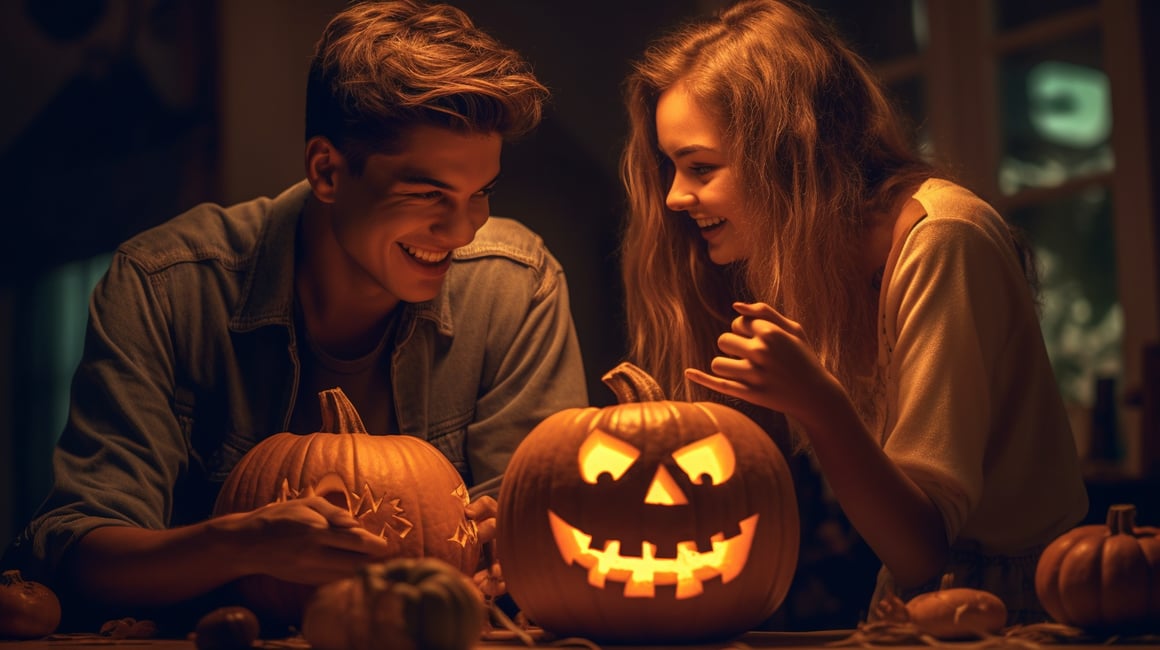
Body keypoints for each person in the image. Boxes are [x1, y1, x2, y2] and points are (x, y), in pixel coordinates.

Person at [3, 0, 587, 634]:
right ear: (327, 170)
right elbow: (79, 555)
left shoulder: (516, 284)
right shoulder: (166, 286)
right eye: (428, 194)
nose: (461, 230)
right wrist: (242, 543)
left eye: (480, 194)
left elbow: (543, 541)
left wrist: (509, 557)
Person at [617, 0, 1088, 626]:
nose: (675, 196)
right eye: (671, 167)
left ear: (788, 154)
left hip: (1016, 615)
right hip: (911, 611)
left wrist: (818, 401)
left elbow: (923, 548)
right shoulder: (807, 259)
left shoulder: (944, 240)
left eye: (700, 167)